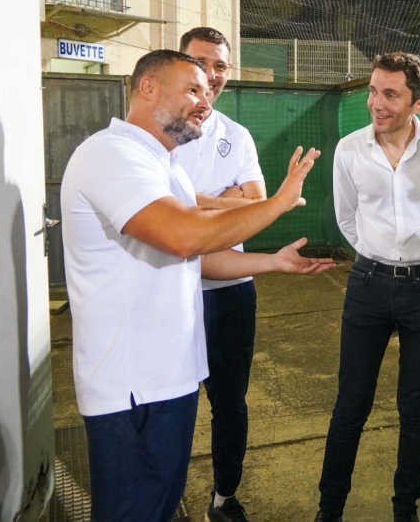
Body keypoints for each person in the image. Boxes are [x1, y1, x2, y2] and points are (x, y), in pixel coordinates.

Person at [61, 49, 325, 522]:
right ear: (148, 88)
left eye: (208, 91)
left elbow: (194, 259)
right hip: (132, 386)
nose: (205, 101)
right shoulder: (110, 153)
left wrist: (271, 262)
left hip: (168, 377)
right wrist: (279, 203)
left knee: (159, 505)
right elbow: (184, 236)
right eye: (192, 89)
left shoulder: (166, 165)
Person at [315, 52, 420, 522]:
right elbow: (346, 216)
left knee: (416, 403)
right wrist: (380, 257)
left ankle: (406, 508)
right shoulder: (349, 148)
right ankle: (330, 509)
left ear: (417, 103)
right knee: (351, 402)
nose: (375, 103)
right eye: (373, 91)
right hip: (368, 283)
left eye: (389, 94)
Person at [176, 27, 268, 522]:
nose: (211, 75)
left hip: (231, 291)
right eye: (201, 62)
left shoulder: (236, 134)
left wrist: (192, 206)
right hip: (172, 289)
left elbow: (257, 202)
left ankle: (224, 497)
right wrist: (225, 206)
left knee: (229, 402)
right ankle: (163, 496)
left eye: (220, 66)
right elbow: (161, 211)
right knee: (172, 399)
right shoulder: (162, 127)